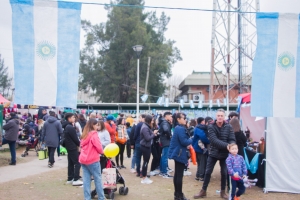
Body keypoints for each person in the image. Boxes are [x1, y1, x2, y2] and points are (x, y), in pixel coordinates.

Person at [193, 109, 236, 199]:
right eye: (218, 116)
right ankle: (203, 191)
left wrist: (232, 145)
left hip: (225, 153)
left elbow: (232, 138)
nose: (220, 117)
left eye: (221, 116)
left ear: (224, 117)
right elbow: (214, 140)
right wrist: (227, 145)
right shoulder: (211, 126)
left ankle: (223, 192)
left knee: (224, 173)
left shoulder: (229, 126)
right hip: (213, 152)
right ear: (216, 117)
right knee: (208, 172)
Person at [79, 118, 105, 200]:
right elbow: (99, 147)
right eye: (97, 125)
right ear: (93, 125)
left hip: (83, 159)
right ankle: (101, 197)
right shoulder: (94, 135)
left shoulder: (84, 134)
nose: (98, 127)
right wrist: (103, 152)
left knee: (86, 180)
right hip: (92, 160)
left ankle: (87, 197)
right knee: (98, 179)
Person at [168, 113, 192, 200]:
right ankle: (179, 195)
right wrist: (192, 139)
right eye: (184, 118)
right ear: (178, 119)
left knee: (177, 174)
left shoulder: (178, 128)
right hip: (180, 153)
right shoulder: (180, 128)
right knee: (179, 175)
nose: (185, 119)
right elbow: (184, 142)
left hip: (178, 152)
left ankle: (177, 194)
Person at [63, 113, 82, 186]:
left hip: (69, 146)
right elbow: (75, 138)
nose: (74, 118)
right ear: (69, 118)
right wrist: (80, 145)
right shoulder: (70, 127)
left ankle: (70, 178)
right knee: (77, 163)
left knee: (71, 163)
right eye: (73, 117)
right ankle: (76, 179)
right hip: (72, 147)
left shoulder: (67, 126)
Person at [140, 115, 158, 184]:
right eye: (152, 120)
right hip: (145, 146)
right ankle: (144, 177)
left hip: (147, 146)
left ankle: (144, 176)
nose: (153, 122)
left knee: (146, 161)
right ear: (149, 120)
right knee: (146, 162)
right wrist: (154, 134)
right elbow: (147, 138)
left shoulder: (147, 126)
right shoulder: (145, 127)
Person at [193, 117, 210, 182]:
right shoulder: (200, 128)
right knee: (203, 162)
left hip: (196, 147)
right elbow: (203, 137)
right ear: (202, 121)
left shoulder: (196, 128)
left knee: (199, 162)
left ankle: (198, 175)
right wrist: (209, 141)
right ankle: (201, 176)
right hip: (201, 147)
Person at [159, 111, 173, 178]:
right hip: (166, 141)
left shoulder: (164, 122)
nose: (171, 117)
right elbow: (166, 130)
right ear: (166, 116)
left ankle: (162, 171)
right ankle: (164, 172)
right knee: (165, 157)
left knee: (163, 157)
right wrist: (169, 135)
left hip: (164, 141)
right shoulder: (164, 122)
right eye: (170, 116)